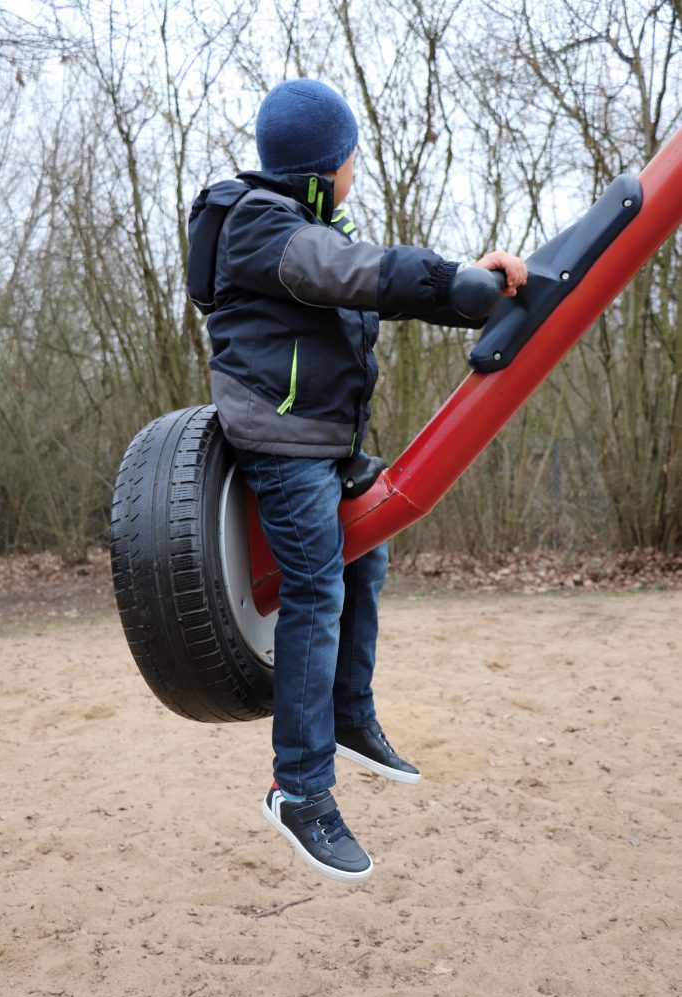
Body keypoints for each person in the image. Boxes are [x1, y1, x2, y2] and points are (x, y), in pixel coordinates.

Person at [200, 79, 527, 883]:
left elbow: (355, 272)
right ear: (319, 170)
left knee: (363, 554)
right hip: (278, 439)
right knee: (315, 587)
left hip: (320, 437)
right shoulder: (264, 227)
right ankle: (299, 790)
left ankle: (347, 712)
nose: (356, 172)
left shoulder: (305, 219)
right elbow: (348, 273)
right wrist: (451, 283)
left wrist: (464, 274)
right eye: (348, 160)